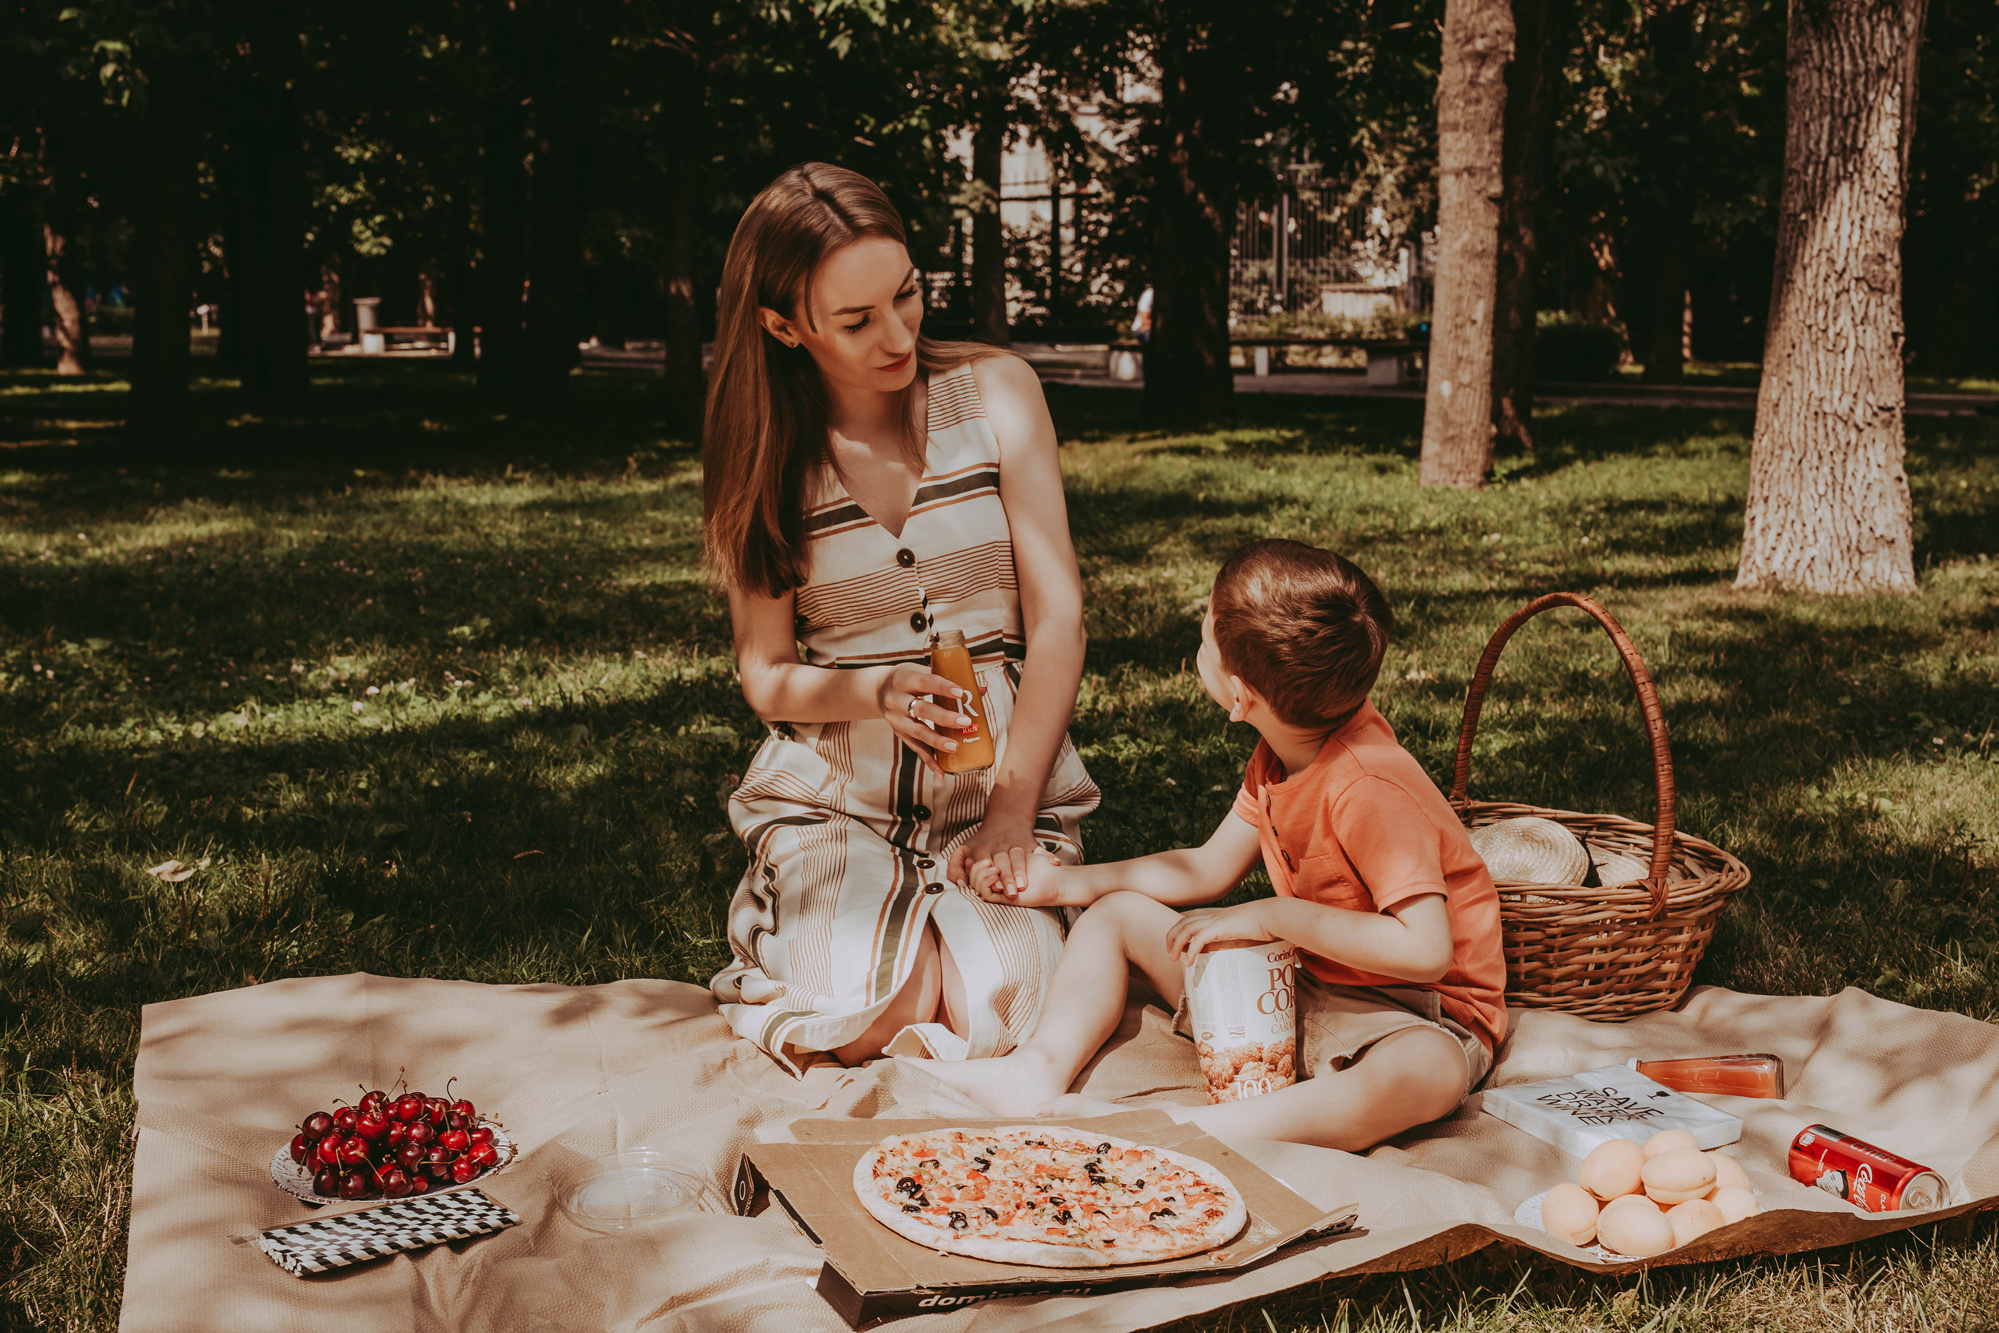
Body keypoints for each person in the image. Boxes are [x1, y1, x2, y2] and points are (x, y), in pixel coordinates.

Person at [908, 540, 1505, 1150]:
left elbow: (1427, 951)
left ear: (1241, 696)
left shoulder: (1369, 785)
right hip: (1307, 988)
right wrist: (1063, 884)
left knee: (1427, 1072)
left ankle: (1191, 1130)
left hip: (1417, 1016)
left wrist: (1275, 916)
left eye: (1204, 639)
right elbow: (1206, 868)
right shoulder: (1285, 752)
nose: (1198, 643)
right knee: (1116, 916)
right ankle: (1033, 1071)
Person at [703, 164, 1100, 1074]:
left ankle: (911, 944)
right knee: (868, 1014)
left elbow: (1061, 620)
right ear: (781, 325)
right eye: (856, 319)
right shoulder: (767, 457)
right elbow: (766, 674)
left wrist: (1010, 812)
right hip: (836, 798)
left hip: (1001, 790)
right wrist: (874, 690)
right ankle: (820, 923)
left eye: (908, 295)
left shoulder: (999, 391)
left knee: (1000, 1012)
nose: (898, 334)